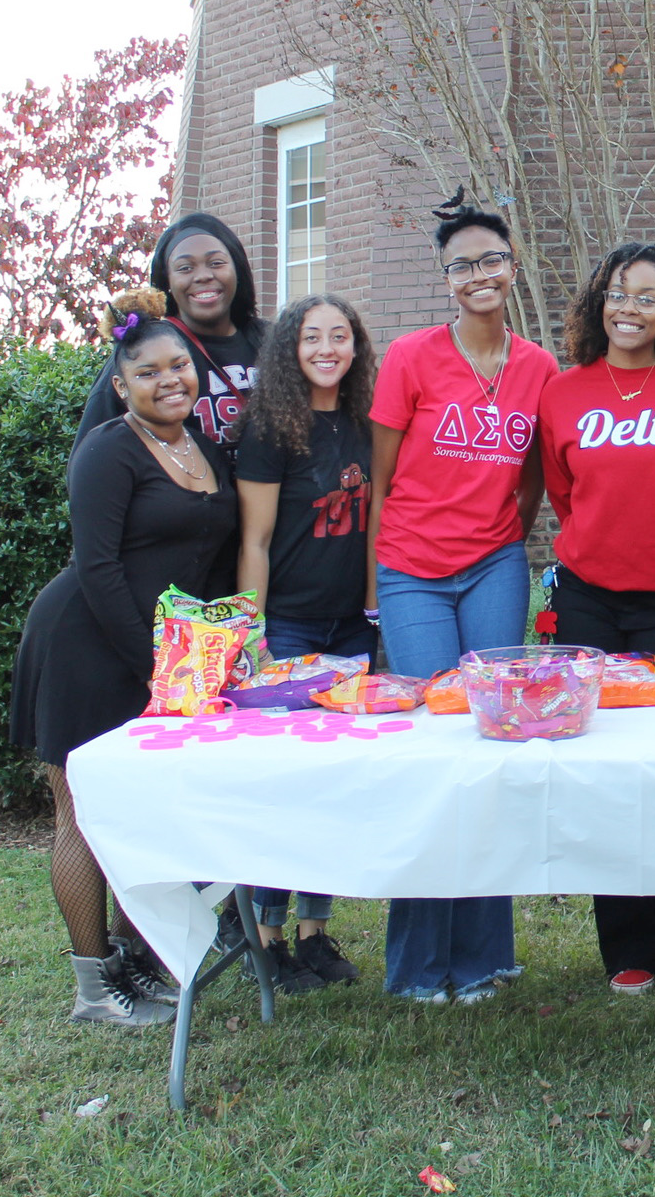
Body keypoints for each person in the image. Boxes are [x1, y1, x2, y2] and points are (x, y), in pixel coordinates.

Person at [10, 289, 239, 1026]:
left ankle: (136, 966)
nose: (169, 379)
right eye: (148, 372)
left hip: (159, 656)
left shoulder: (201, 445)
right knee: (79, 814)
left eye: (179, 365)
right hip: (85, 641)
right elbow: (99, 569)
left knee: (142, 812)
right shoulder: (108, 449)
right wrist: (155, 669)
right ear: (120, 385)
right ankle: (93, 989)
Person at [370, 192, 557, 1005]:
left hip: (493, 567)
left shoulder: (537, 367)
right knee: (433, 746)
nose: (477, 274)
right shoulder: (410, 357)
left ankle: (484, 951)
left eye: (490, 260)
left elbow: (533, 481)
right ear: (445, 280)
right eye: (460, 265)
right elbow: (379, 477)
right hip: (412, 568)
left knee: (493, 743)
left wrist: (498, 540)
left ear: (512, 268)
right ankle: (417, 962)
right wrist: (380, 568)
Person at [537, 243, 655, 997]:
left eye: (646, 297)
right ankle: (626, 942)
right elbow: (562, 493)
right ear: (597, 302)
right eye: (616, 293)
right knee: (600, 770)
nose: (628, 307)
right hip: (587, 598)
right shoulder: (563, 390)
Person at [230, 293, 378, 995]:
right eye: (312, 336)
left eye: (339, 335)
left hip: (349, 627)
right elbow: (255, 539)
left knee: (331, 789)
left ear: (356, 347)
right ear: (290, 348)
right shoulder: (269, 426)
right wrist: (252, 632)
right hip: (288, 628)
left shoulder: (365, 422)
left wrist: (376, 608)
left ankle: (315, 932)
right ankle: (266, 934)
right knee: (283, 784)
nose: (326, 347)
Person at [77, 214, 264, 453]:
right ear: (167, 281)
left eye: (216, 263)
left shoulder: (273, 341)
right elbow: (90, 458)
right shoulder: (147, 348)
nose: (203, 275)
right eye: (185, 268)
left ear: (237, 269)